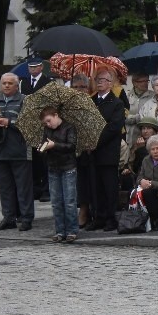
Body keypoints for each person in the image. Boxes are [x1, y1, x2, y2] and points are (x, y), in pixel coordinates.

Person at [0, 73, 34, 231]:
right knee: (5, 187)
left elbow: (30, 122)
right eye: (4, 83)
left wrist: (9, 122)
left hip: (20, 150)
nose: (6, 86)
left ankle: (26, 218)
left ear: (16, 85)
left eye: (9, 83)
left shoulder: (25, 100)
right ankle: (8, 217)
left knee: (23, 187)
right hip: (0, 150)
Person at [86, 68, 125, 232]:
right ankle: (98, 217)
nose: (99, 82)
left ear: (110, 83)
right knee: (95, 187)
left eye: (102, 79)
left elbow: (114, 127)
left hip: (108, 150)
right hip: (92, 152)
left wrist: (96, 141)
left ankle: (111, 218)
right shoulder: (91, 101)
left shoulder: (116, 103)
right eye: (97, 79)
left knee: (109, 187)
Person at [40, 106, 78, 242]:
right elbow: (44, 142)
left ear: (56, 115)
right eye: (45, 123)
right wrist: (43, 147)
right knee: (56, 202)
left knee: (69, 201)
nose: (48, 124)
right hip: (53, 167)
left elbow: (71, 146)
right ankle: (60, 231)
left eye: (49, 121)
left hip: (68, 167)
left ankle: (72, 230)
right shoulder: (47, 129)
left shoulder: (69, 127)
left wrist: (54, 145)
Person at [20, 56, 53, 202]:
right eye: (30, 67)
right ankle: (35, 188)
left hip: (43, 125)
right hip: (30, 125)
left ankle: (46, 189)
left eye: (35, 67)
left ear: (41, 67)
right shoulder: (23, 82)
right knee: (31, 157)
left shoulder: (48, 82)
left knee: (44, 156)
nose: (32, 69)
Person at [70, 74, 94, 227]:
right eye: (75, 87)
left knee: (85, 182)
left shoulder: (92, 104)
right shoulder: (66, 105)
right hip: (69, 150)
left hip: (87, 150)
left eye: (83, 87)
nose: (79, 90)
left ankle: (85, 211)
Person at [125, 72, 154, 148]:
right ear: (134, 83)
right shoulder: (126, 96)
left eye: (146, 81)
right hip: (128, 135)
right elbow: (122, 116)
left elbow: (151, 116)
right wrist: (137, 118)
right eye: (142, 81)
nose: (145, 84)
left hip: (144, 136)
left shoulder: (153, 96)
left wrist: (131, 117)